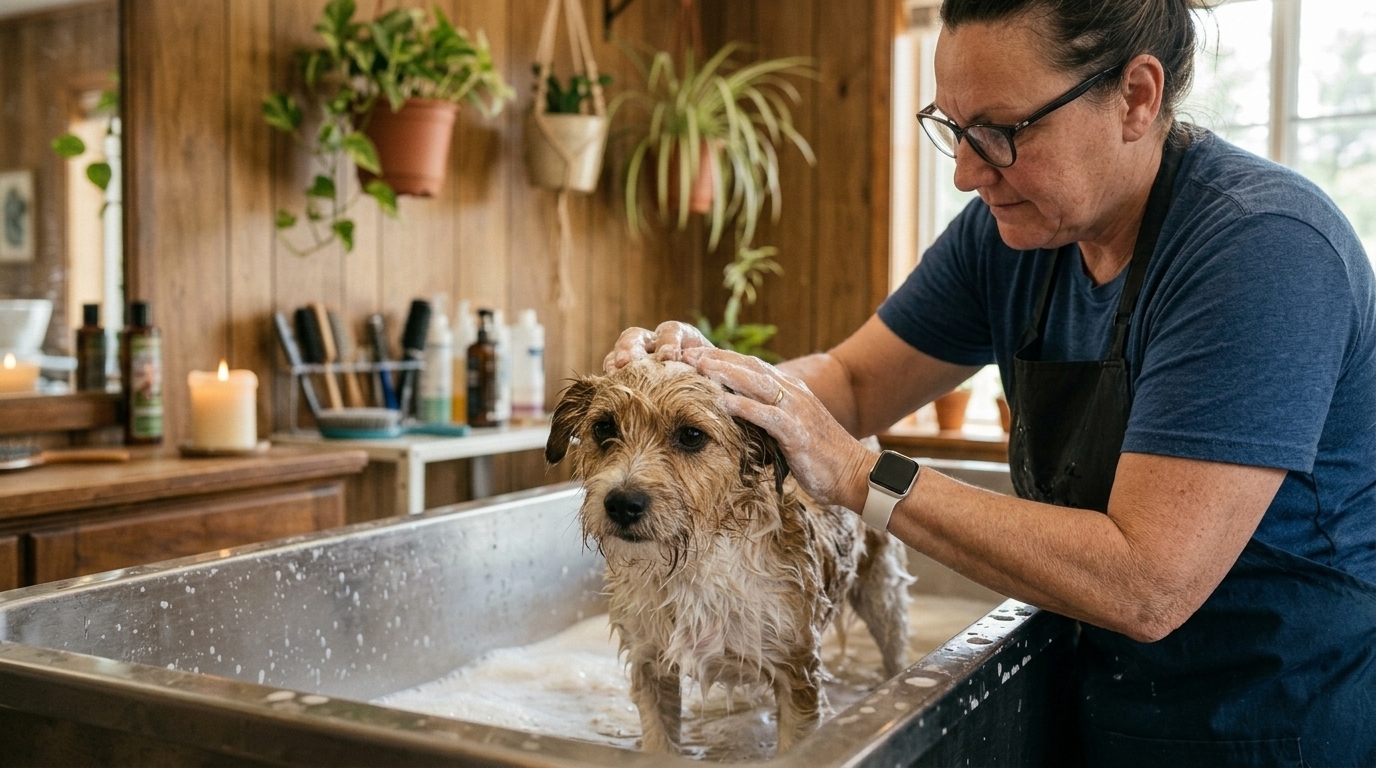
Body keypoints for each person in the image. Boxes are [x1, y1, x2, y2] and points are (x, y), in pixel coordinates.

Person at [603, 1, 1376, 766]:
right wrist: (706, 380)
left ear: (1136, 98)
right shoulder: (1013, 234)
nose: (969, 173)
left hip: (1270, 729)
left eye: (1002, 132)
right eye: (952, 128)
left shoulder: (1262, 251)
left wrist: (856, 472)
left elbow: (1146, 584)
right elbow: (851, 380)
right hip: (1088, 698)